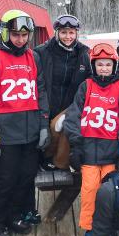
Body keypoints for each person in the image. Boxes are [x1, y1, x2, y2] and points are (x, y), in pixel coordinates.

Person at [0, 10, 50, 236]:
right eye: (16, 34)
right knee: (4, 180)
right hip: (4, 135)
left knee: (25, 178)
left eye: (25, 36)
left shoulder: (33, 57)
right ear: (6, 31)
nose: (20, 40)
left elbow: (41, 92)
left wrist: (44, 125)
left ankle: (14, 216)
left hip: (30, 132)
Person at [64, 43, 119, 236]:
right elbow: (73, 117)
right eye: (100, 64)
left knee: (111, 195)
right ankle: (92, 231)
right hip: (89, 153)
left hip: (111, 153)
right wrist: (76, 145)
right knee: (90, 193)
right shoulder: (86, 86)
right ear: (94, 65)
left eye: (107, 64)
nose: (104, 68)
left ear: (114, 66)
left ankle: (109, 230)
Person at [34, 14, 91, 170]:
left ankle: (59, 164)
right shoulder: (42, 52)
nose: (68, 37)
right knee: (45, 130)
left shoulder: (83, 54)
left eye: (71, 33)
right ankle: (43, 160)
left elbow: (90, 80)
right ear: (57, 32)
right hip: (47, 102)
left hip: (70, 105)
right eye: (64, 32)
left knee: (60, 126)